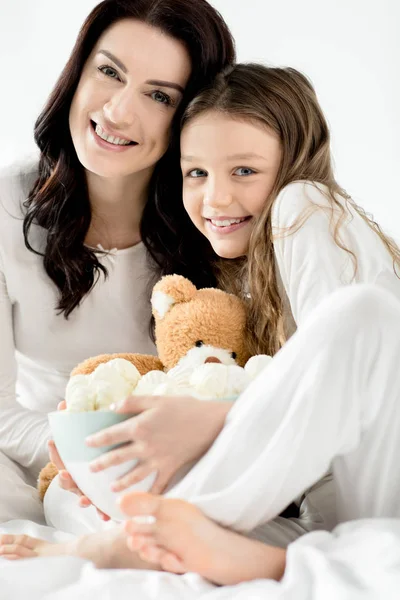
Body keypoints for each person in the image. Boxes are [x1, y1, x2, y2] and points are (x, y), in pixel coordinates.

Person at [3, 63, 400, 586]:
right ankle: (172, 543)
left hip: (376, 480)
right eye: (196, 173)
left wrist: (216, 421)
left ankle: (132, 542)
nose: (215, 199)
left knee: (363, 313)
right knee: (68, 493)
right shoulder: (242, 277)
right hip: (327, 515)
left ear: (293, 162)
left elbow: (343, 382)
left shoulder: (306, 207)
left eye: (244, 171)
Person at [0, 0, 235, 525]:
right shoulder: (4, 206)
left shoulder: (217, 217)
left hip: (178, 454)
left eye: (158, 95)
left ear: (191, 114)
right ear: (77, 74)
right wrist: (92, 456)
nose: (119, 112)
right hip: (39, 451)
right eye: (109, 72)